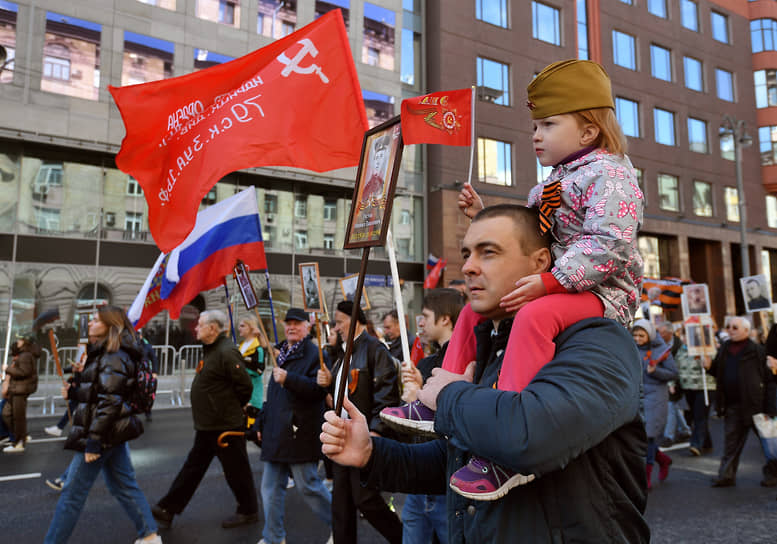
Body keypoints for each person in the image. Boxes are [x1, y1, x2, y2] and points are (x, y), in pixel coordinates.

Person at [386, 59, 644, 500]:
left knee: (533, 319)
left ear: (587, 132)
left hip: (601, 293)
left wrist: (552, 282)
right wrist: (486, 216)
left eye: (547, 124)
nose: (536, 135)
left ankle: (502, 443)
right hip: (555, 284)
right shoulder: (547, 185)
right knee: (471, 312)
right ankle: (434, 403)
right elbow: (528, 234)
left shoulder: (613, 175)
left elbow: (610, 243)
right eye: (534, 127)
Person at [322, 204, 649, 542]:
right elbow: (461, 458)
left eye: (488, 253)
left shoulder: (597, 341)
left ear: (540, 262)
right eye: (466, 254)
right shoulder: (492, 345)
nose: (468, 267)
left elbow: (530, 436)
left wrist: (448, 396)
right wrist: (372, 454)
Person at [44, 306, 161, 544]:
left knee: (72, 495)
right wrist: (75, 391)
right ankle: (149, 535)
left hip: (102, 432)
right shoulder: (105, 353)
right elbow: (99, 392)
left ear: (110, 327)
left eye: (96, 321)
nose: (90, 324)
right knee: (123, 486)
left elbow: (110, 402)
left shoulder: (114, 356)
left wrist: (94, 442)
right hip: (111, 431)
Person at [151, 310, 259, 529]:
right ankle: (168, 508)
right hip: (210, 424)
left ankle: (248, 510)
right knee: (193, 468)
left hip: (224, 425)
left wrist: (228, 407)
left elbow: (244, 386)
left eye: (200, 325)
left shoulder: (226, 352)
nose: (196, 328)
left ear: (212, 328)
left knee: (236, 470)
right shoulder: (212, 350)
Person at [316, 300, 402, 544]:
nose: (336, 327)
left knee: (366, 499)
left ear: (356, 321)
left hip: (363, 439)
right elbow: (340, 393)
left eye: (340, 321)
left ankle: (404, 538)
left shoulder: (375, 349)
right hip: (343, 436)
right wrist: (327, 383)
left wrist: (376, 432)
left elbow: (386, 395)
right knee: (341, 503)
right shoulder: (344, 353)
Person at [390, 289, 464, 544]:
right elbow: (411, 421)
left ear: (445, 319)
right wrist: (412, 395)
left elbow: (458, 422)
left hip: (448, 482)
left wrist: (420, 399)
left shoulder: (465, 363)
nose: (419, 322)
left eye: (425, 316)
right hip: (419, 480)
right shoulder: (426, 362)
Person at [256, 308, 332, 544]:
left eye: (297, 323)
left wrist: (288, 379)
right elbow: (273, 396)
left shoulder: (315, 353)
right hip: (276, 431)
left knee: (308, 485)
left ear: (307, 327)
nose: (291, 327)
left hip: (301, 431)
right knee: (270, 488)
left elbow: (318, 391)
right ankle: (273, 537)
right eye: (288, 323)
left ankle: (341, 525)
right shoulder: (282, 352)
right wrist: (261, 421)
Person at [707, 316, 777, 487]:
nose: (730, 330)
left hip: (756, 406)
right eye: (728, 326)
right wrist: (708, 366)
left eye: (735, 327)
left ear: (746, 330)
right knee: (731, 443)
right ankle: (726, 475)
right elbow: (718, 372)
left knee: (768, 443)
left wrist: (771, 408)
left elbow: (770, 381)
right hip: (733, 406)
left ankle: (773, 475)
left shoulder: (758, 351)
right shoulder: (724, 348)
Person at [632, 319, 678, 490]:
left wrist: (656, 371)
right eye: (634, 335)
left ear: (649, 335)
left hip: (656, 398)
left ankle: (646, 476)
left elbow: (673, 373)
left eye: (641, 335)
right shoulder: (631, 349)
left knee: (649, 436)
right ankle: (662, 460)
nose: (637, 338)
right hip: (636, 396)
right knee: (640, 437)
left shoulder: (662, 350)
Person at [675, 331, 716, 456]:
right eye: (685, 335)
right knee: (697, 415)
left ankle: (696, 444)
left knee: (700, 415)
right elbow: (675, 367)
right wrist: (672, 384)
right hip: (688, 387)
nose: (686, 338)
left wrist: (708, 362)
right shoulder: (681, 350)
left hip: (705, 387)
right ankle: (707, 442)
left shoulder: (706, 349)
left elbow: (715, 363)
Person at [2, 334, 40, 453]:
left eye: (20, 339)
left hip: (20, 390)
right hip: (17, 389)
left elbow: (24, 372)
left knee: (18, 417)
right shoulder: (25, 355)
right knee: (6, 413)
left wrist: (7, 369)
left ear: (25, 342)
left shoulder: (25, 356)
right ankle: (21, 435)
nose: (18, 341)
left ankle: (19, 443)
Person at [657, 323, 691, 446]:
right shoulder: (659, 343)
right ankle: (685, 429)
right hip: (664, 377)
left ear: (670, 333)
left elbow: (678, 365)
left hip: (675, 380)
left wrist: (672, 382)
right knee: (673, 406)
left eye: (662, 332)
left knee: (671, 404)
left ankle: (669, 436)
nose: (659, 335)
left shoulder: (679, 345)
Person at [238, 315, 267, 410]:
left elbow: (259, 370)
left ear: (251, 327)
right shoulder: (241, 346)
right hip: (240, 393)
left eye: (242, 326)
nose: (239, 328)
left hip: (252, 395)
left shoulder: (258, 348)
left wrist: (240, 370)